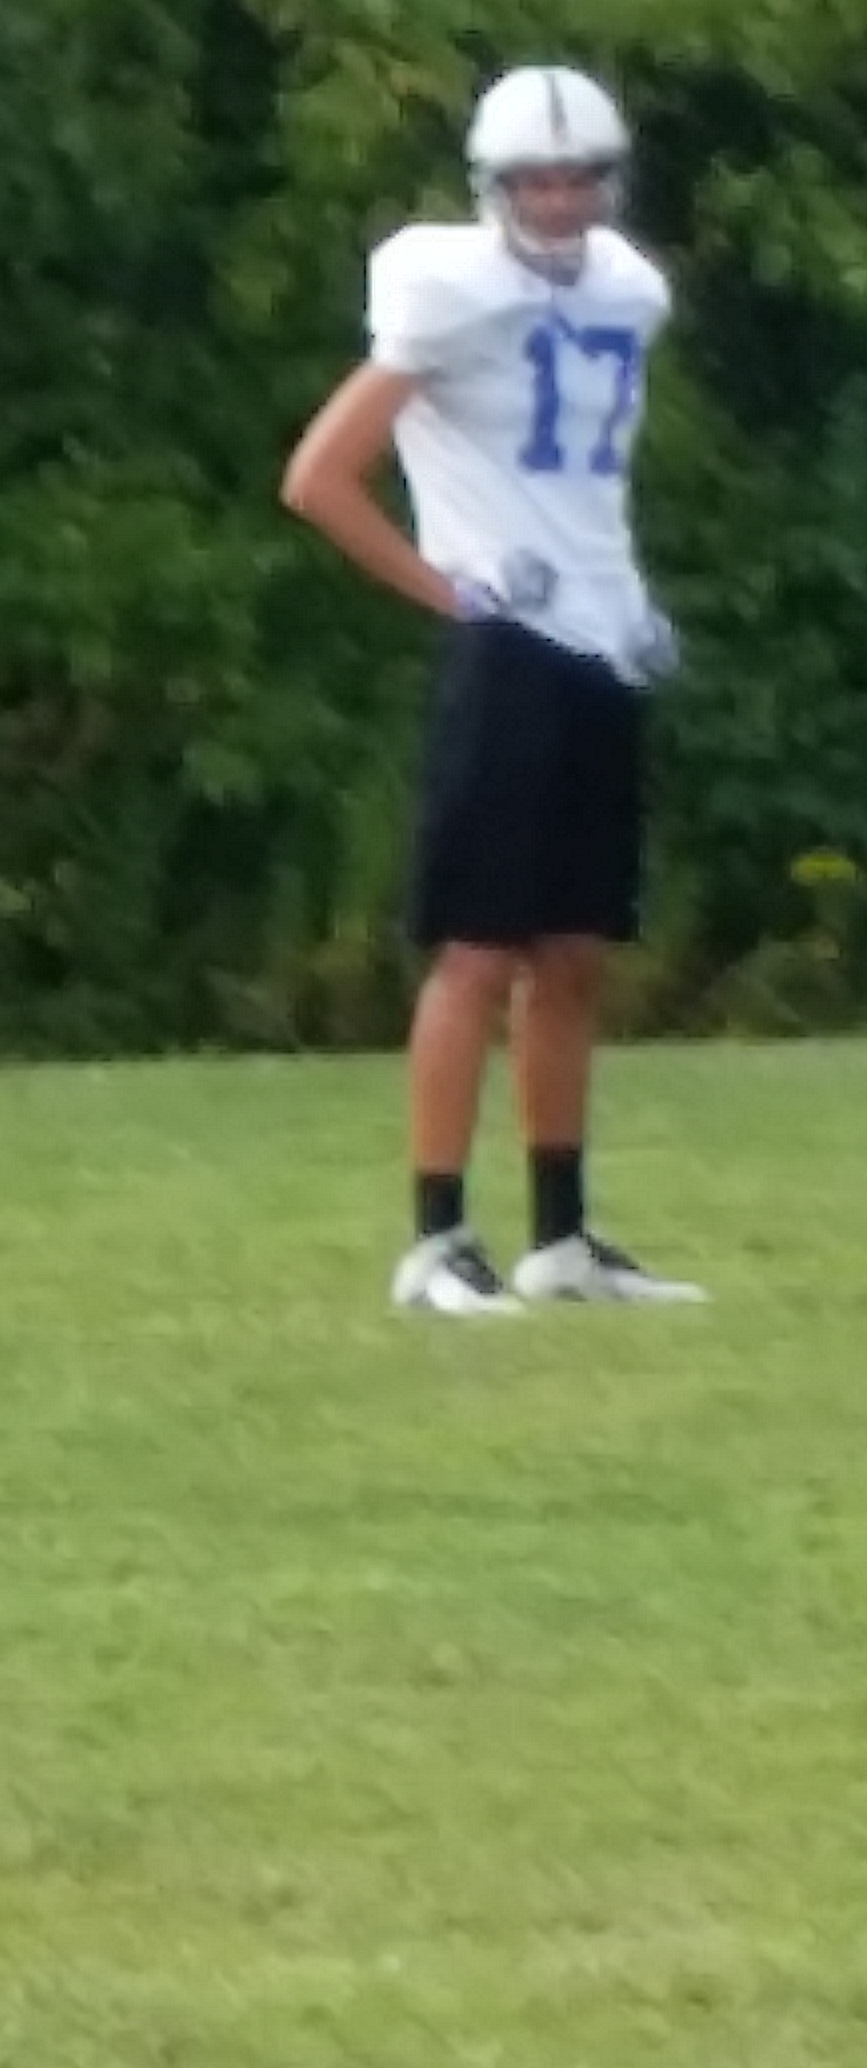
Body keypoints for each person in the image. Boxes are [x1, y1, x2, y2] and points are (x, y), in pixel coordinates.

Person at [279, 64, 709, 1316]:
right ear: (493, 187)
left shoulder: (627, 290)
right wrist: (448, 592)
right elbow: (317, 478)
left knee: (572, 955)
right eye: (535, 182)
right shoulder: (445, 291)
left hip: (600, 640)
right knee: (474, 952)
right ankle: (434, 1243)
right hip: (506, 645)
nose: (559, 201)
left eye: (577, 179)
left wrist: (620, 603)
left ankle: (559, 1240)